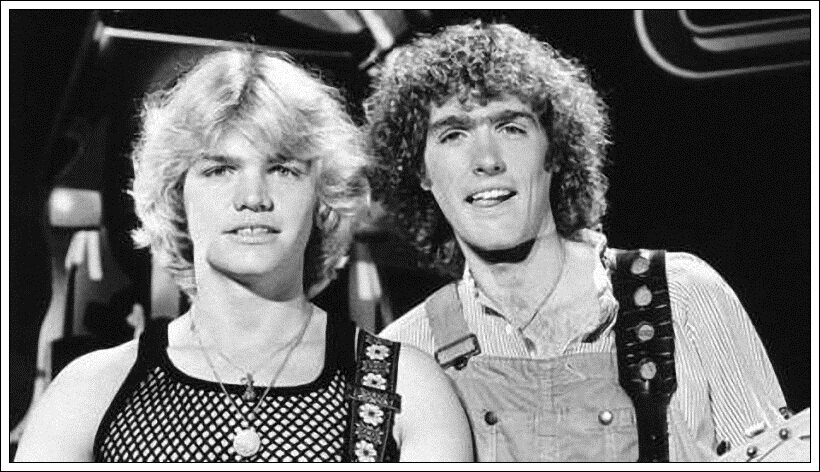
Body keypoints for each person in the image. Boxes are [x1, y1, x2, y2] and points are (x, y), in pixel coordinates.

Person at [15, 48, 471, 462]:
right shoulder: (89, 394)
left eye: (283, 169)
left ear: (322, 197)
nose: (253, 197)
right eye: (220, 169)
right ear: (176, 196)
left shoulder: (409, 390)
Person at [367, 22, 788, 462]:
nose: (487, 160)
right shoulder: (404, 356)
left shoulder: (683, 297)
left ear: (553, 150)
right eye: (453, 134)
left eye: (510, 127)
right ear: (420, 171)